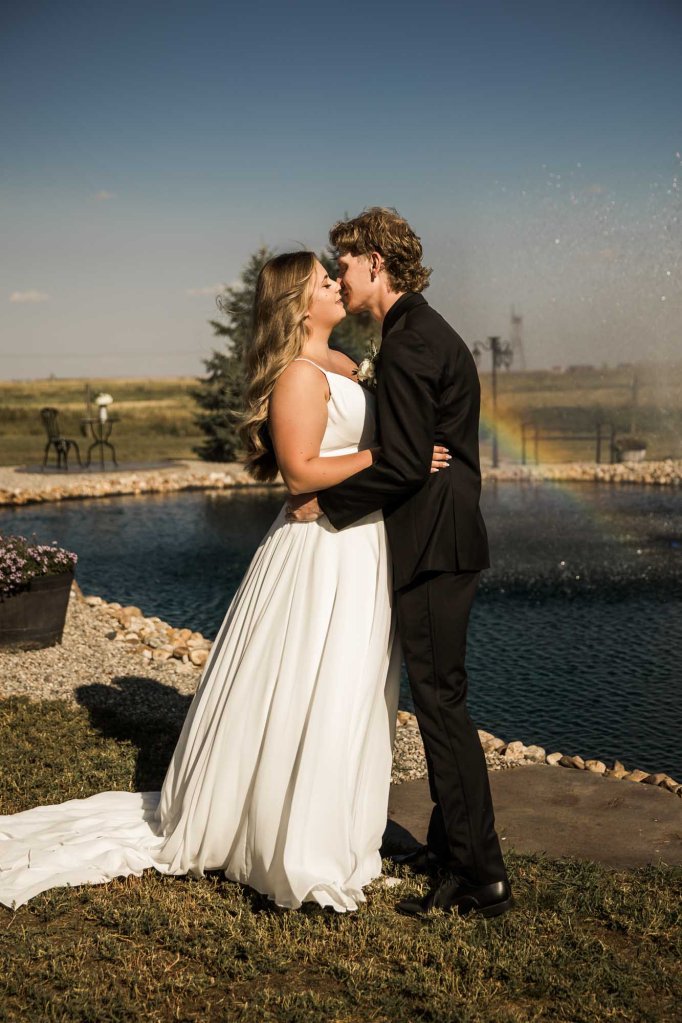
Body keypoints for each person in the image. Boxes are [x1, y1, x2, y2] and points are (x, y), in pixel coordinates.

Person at [0, 251, 449, 913]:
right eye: (325, 281)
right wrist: (392, 456)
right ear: (300, 304)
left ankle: (341, 824)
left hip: (361, 546)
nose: (338, 286)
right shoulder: (297, 375)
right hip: (318, 551)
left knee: (352, 684)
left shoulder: (351, 366)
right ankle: (286, 837)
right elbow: (300, 475)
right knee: (310, 679)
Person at [288, 208, 512, 918]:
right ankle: (456, 851)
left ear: (377, 262)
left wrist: (327, 507)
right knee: (445, 700)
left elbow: (409, 463)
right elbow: (415, 448)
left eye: (345, 264)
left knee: (441, 705)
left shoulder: (414, 341)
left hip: (432, 544)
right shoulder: (415, 330)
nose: (341, 276)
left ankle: (480, 874)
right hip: (444, 539)